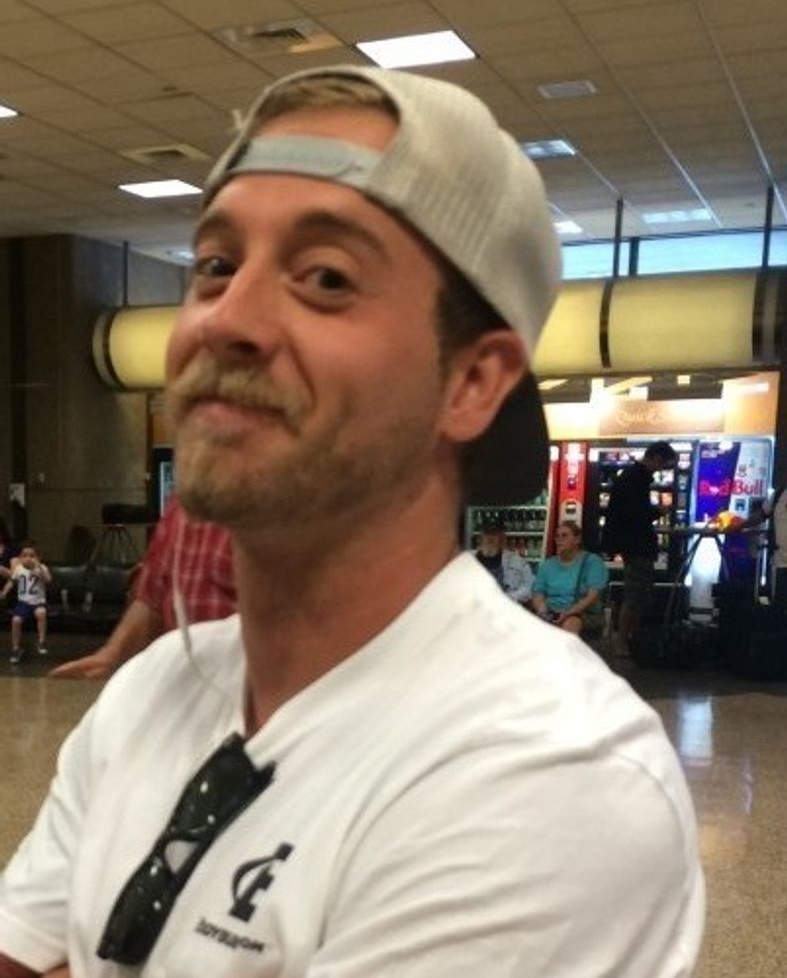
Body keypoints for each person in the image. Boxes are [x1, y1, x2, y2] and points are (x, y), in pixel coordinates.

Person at [0, 66, 703, 977]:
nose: (226, 319)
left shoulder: (547, 770)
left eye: (325, 277)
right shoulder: (153, 694)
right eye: (215, 266)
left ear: (471, 381)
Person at [50, 495, 235, 680]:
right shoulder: (181, 507)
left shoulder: (248, 507)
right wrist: (113, 655)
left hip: (235, 684)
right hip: (180, 680)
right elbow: (151, 597)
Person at [602, 440, 677, 655]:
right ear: (656, 458)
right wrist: (658, 512)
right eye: (662, 465)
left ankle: (630, 640)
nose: (660, 470)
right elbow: (636, 514)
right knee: (635, 596)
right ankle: (623, 642)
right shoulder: (636, 479)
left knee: (636, 595)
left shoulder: (631, 476)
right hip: (636, 545)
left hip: (631, 545)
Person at [531, 521, 609, 636]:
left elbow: (592, 596)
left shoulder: (592, 562)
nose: (559, 539)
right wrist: (542, 611)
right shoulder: (547, 565)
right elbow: (538, 592)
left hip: (581, 612)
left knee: (570, 625)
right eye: (557, 536)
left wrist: (568, 613)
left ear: (577, 540)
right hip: (551, 612)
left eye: (564, 536)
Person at [2, 544, 52, 663]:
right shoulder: (19, 569)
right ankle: (16, 648)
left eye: (32, 556)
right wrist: (4, 592)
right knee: (16, 620)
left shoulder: (42, 568)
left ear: (38, 557)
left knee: (41, 613)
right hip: (23, 602)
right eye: (24, 556)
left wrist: (39, 567)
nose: (28, 558)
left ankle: (41, 641)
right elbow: (11, 582)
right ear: (20, 558)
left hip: (38, 602)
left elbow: (48, 580)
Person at [474, 519, 533, 605]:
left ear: (502, 538)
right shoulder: (467, 559)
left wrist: (510, 597)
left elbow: (528, 586)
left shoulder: (517, 561)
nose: (490, 537)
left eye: (495, 534)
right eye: (487, 534)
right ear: (480, 538)